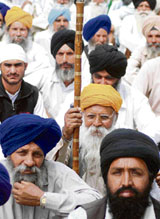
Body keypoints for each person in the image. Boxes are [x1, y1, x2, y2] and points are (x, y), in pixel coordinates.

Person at [0, 113, 101, 218]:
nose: (30, 162)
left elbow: (95, 202)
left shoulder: (55, 171)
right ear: (9, 154)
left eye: (37, 154)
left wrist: (44, 199)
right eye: (22, 153)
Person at [47, 83, 122, 195]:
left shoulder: (121, 145)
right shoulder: (73, 141)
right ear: (82, 115)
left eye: (104, 118)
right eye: (91, 117)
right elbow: (53, 169)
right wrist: (66, 136)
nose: (97, 123)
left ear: (115, 118)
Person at [68, 128, 160, 219]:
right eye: (117, 173)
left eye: (136, 173)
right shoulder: (82, 216)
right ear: (106, 177)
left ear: (150, 178)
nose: (126, 182)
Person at [88, 44, 160, 144]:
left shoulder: (134, 97)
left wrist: (130, 146)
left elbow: (153, 130)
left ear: (118, 78)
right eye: (98, 77)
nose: (103, 83)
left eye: (109, 78)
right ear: (92, 75)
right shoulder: (79, 95)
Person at [41, 28, 84, 128]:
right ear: (54, 56)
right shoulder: (44, 78)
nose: (65, 60)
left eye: (69, 54)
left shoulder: (86, 83)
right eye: (60, 54)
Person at [2, 6, 51, 90]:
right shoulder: (1, 47)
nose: (18, 34)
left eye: (22, 30)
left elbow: (46, 67)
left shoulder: (37, 49)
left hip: (32, 89)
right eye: (14, 29)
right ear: (7, 30)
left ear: (28, 32)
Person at [0, 43, 47, 123]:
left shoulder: (33, 93)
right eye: (8, 65)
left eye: (17, 65)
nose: (13, 71)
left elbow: (41, 126)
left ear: (26, 66)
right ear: (0, 66)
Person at [125, 15, 160, 84]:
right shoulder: (141, 50)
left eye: (157, 36)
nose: (153, 40)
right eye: (150, 36)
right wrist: (144, 84)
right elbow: (129, 70)